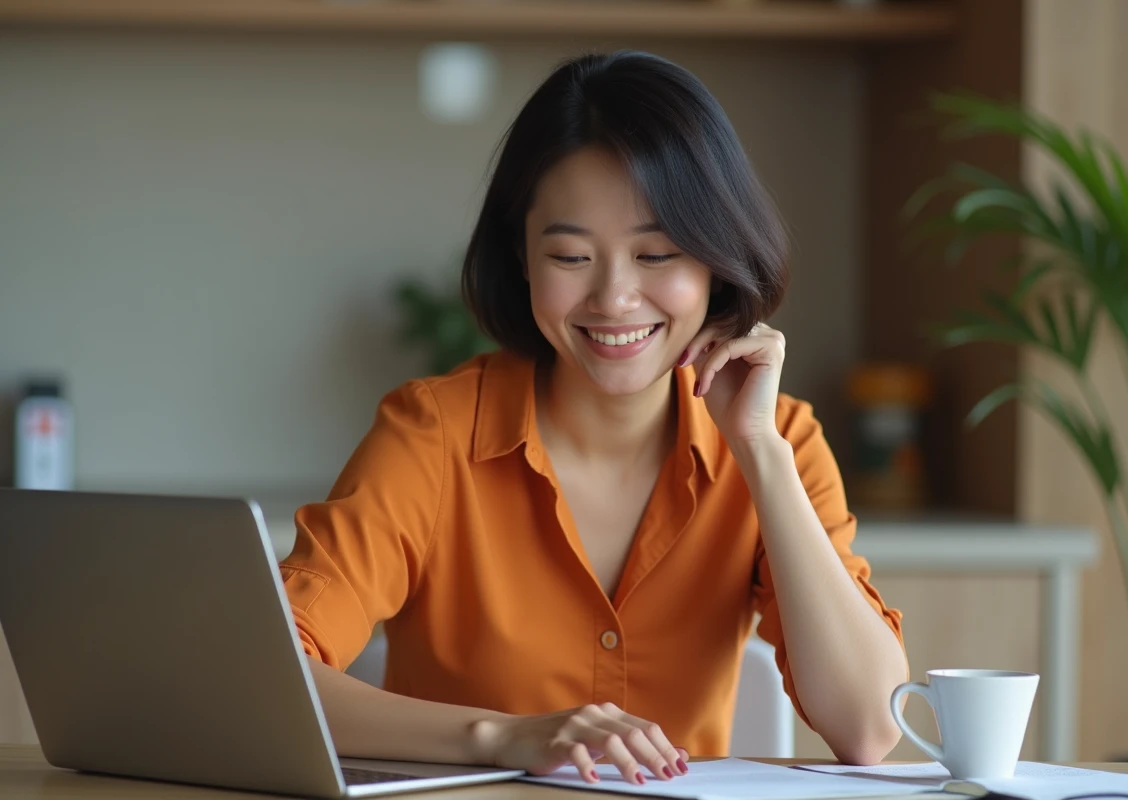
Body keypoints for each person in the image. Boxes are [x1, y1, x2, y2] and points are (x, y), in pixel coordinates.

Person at [279, 50, 907, 786]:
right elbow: (265, 675)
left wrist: (759, 451)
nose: (614, 298)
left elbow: (870, 727)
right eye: (572, 256)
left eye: (658, 253)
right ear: (520, 256)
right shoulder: (435, 433)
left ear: (717, 259)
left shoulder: (782, 440)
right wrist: (500, 737)